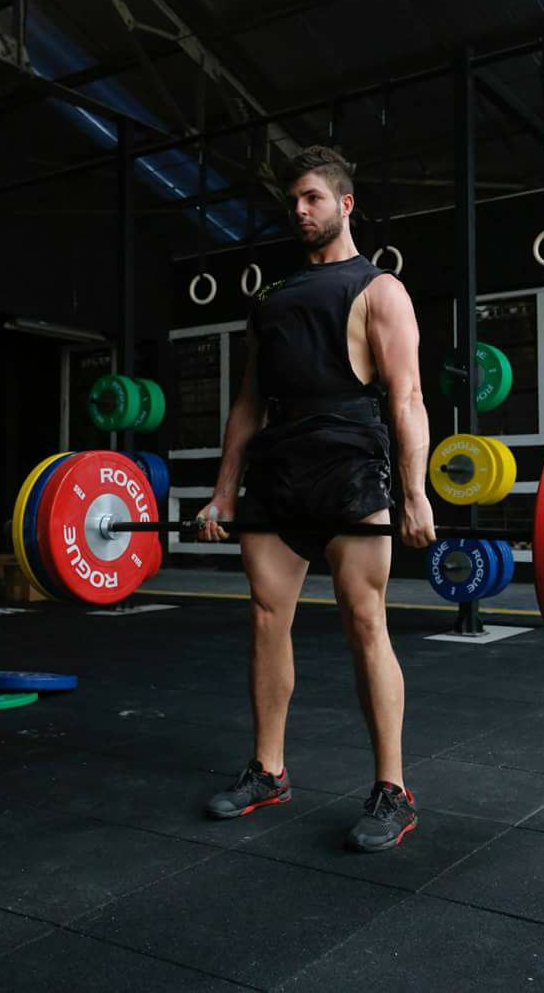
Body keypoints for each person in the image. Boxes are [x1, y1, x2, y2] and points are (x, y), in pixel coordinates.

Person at [197, 145, 435, 852]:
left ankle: (393, 787)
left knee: (364, 619)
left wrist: (414, 492)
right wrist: (221, 493)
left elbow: (408, 397)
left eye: (312, 198)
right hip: (277, 471)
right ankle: (268, 769)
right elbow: (246, 405)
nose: (299, 211)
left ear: (344, 203)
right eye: (293, 201)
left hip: (351, 468)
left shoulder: (380, 289)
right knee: (267, 617)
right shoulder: (269, 300)